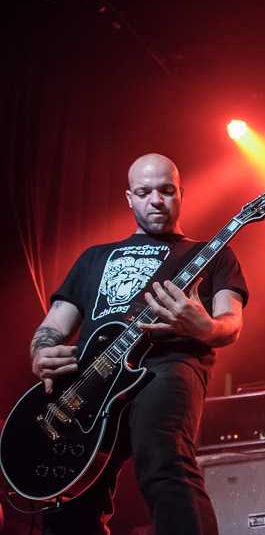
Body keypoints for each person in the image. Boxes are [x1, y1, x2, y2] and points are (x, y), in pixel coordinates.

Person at [29, 153, 248, 534]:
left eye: (166, 190)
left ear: (181, 193)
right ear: (129, 198)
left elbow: (231, 324)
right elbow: (53, 326)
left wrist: (203, 327)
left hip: (167, 363)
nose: (156, 200)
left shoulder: (212, 254)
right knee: (70, 492)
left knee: (162, 457)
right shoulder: (94, 257)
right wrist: (40, 353)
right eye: (144, 192)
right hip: (91, 379)